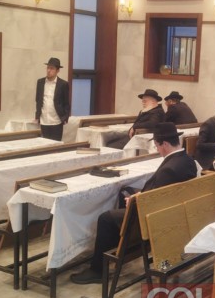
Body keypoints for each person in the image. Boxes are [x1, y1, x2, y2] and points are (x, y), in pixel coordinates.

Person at [70, 122, 197, 284]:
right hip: (174, 212)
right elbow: (162, 195)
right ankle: (114, 255)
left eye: (157, 146)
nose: (157, 150)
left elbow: (155, 204)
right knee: (125, 192)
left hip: (156, 220)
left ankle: (98, 269)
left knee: (105, 218)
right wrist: (138, 196)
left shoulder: (169, 169)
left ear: (165, 144)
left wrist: (136, 200)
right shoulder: (187, 160)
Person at [34, 57, 70, 141]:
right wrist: (37, 115)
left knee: (55, 145)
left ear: (58, 71)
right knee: (44, 145)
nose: (49, 70)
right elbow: (38, 100)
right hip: (44, 120)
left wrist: (65, 117)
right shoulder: (40, 82)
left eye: (52, 68)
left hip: (56, 121)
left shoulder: (63, 84)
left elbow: (66, 103)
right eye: (48, 68)